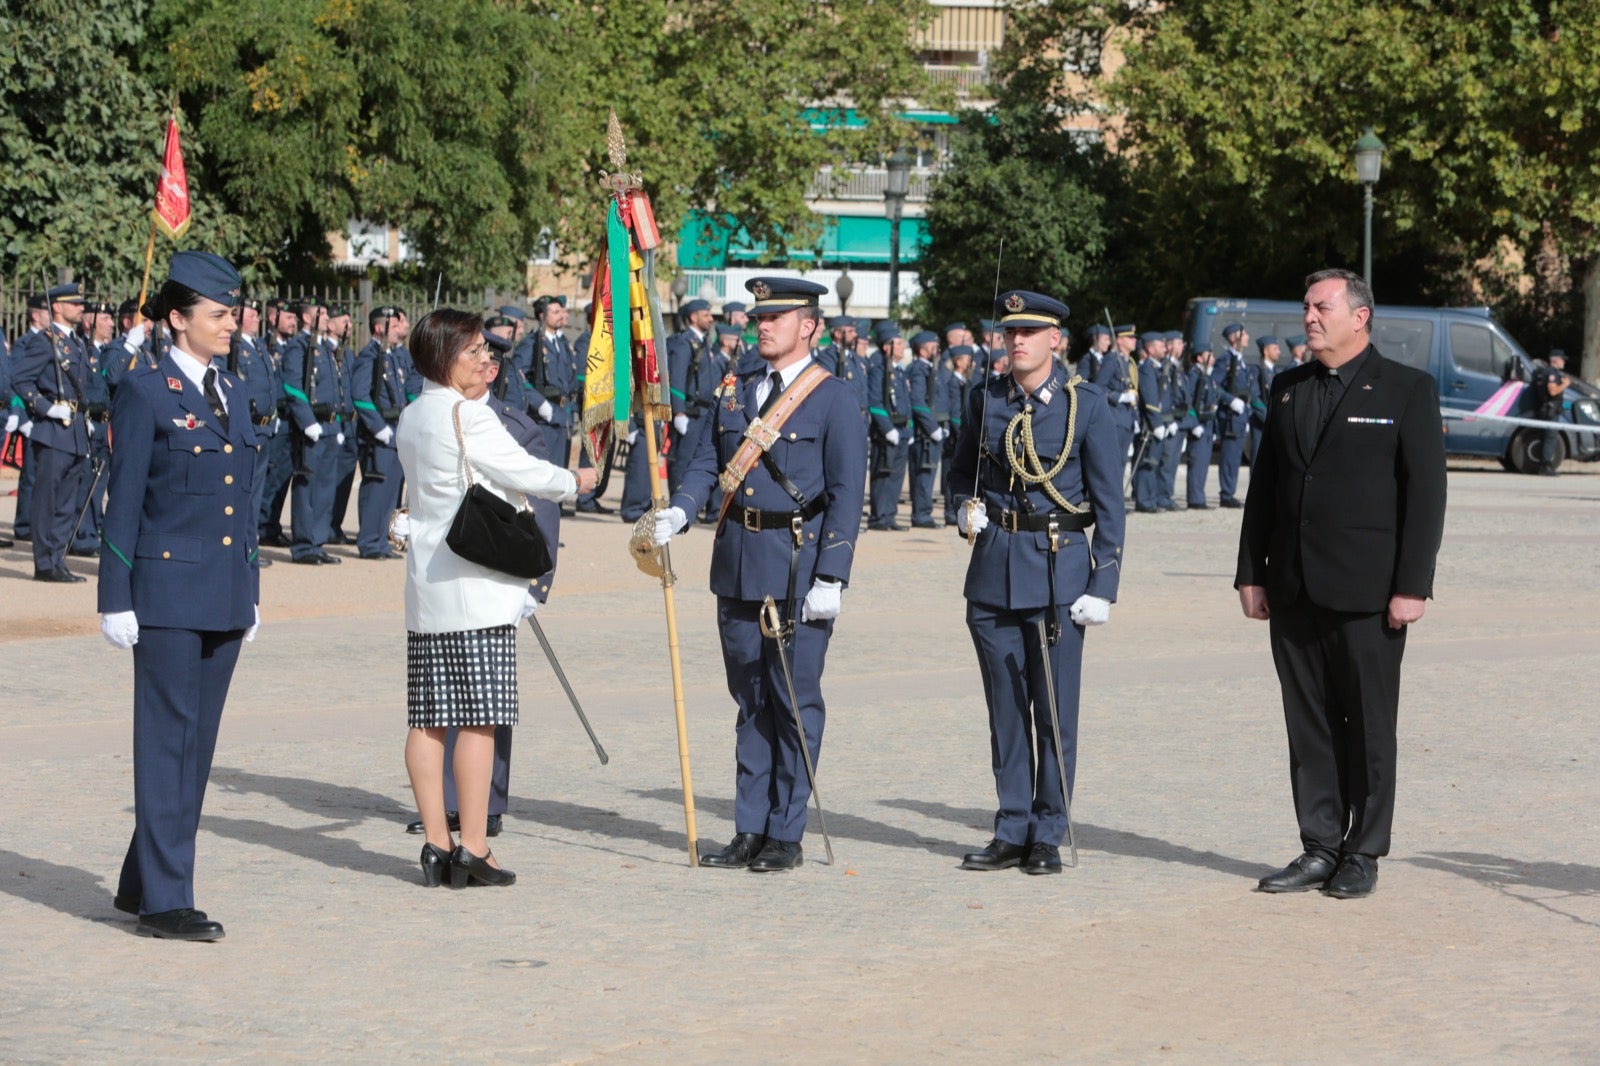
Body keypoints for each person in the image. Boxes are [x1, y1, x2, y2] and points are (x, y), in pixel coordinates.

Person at [1236, 268, 1447, 899]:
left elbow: (1426, 496)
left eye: (1320, 306)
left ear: (1360, 316)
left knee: (1369, 727)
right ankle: (1319, 845)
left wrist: (1413, 585)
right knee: (1309, 726)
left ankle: (1364, 850)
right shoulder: (1288, 388)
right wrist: (1251, 573)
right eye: (1305, 306)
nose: (1308, 316)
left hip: (1369, 594)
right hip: (1295, 587)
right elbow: (1266, 490)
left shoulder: (1407, 389)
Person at [652, 276, 867, 872]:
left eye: (777, 316)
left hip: (797, 566)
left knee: (792, 700)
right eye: (758, 316)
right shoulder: (734, 388)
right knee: (749, 700)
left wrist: (833, 576)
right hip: (738, 561)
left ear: (810, 326)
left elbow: (848, 495)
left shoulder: (834, 398)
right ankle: (749, 827)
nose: (762, 325)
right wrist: (680, 509)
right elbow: (704, 462)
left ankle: (785, 831)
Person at [395, 309, 595, 889]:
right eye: (475, 352)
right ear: (442, 358)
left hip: (430, 586)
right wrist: (577, 480)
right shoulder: (465, 415)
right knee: (480, 721)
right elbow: (526, 470)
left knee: (428, 720)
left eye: (488, 351)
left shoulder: (413, 414)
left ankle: (436, 842)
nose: (488, 361)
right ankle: (474, 848)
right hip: (476, 588)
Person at [98, 250, 261, 941]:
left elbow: (243, 499)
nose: (232, 324)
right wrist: (115, 596)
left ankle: (143, 879)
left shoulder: (232, 385)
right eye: (219, 314)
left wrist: (250, 587)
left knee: (196, 750)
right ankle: (168, 900)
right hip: (163, 593)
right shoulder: (146, 390)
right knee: (168, 743)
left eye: (233, 312)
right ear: (177, 318)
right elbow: (124, 498)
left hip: (223, 592)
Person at [949, 290, 1125, 875]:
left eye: (1029, 332)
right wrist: (961, 508)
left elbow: (1109, 504)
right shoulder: (985, 400)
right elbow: (959, 473)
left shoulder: (1087, 407)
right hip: (994, 571)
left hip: (1057, 574)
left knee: (1052, 712)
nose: (1016, 341)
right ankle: (1012, 825)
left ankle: (1048, 829)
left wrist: (1104, 583)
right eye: (1009, 332)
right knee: (1005, 713)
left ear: (1056, 340)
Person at [11, 282, 92, 581]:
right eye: (74, 304)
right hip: (53, 429)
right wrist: (45, 407)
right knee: (47, 499)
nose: (80, 308)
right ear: (57, 307)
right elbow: (21, 380)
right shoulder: (46, 341)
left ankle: (58, 558)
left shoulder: (77, 342)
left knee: (67, 502)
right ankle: (44, 563)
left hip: (75, 431)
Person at [351, 305, 412, 558]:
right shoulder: (370, 356)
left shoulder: (391, 356)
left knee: (391, 491)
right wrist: (379, 429)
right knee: (377, 489)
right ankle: (369, 542)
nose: (401, 328)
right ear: (379, 327)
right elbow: (360, 395)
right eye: (395, 324)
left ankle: (381, 541)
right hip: (379, 435)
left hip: (395, 431)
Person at [866, 323, 912, 530]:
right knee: (883, 475)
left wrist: (909, 429)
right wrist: (887, 428)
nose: (902, 348)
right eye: (899, 344)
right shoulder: (879, 368)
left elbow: (906, 402)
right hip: (887, 432)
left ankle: (889, 515)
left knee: (896, 476)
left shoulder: (898, 370)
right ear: (887, 347)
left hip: (901, 430)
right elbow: (875, 402)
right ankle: (879, 517)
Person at [1212, 322, 1255, 508]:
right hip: (1230, 415)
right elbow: (1214, 385)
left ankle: (1230, 491)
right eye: (1243, 334)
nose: (1247, 337)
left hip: (1240, 414)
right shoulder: (1226, 360)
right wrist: (1230, 401)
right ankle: (1226, 493)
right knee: (1229, 455)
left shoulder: (1240, 360)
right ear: (1233, 338)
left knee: (1236, 455)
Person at [1182, 344, 1219, 508]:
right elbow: (1188, 403)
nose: (1213, 359)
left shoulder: (1205, 375)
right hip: (1199, 425)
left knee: (1203, 463)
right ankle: (1195, 499)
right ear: (1199, 358)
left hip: (1208, 425)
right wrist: (1194, 424)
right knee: (1197, 462)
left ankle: (1199, 496)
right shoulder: (1193, 375)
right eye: (1209, 355)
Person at [1529, 349, 1570, 476]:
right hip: (1550, 410)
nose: (1563, 362)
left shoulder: (1545, 372)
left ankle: (1544, 465)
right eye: (1562, 359)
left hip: (1546, 409)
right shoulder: (1552, 373)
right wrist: (1565, 384)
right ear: (1556, 360)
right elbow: (1552, 391)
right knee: (1550, 438)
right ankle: (1545, 466)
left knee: (1547, 437)